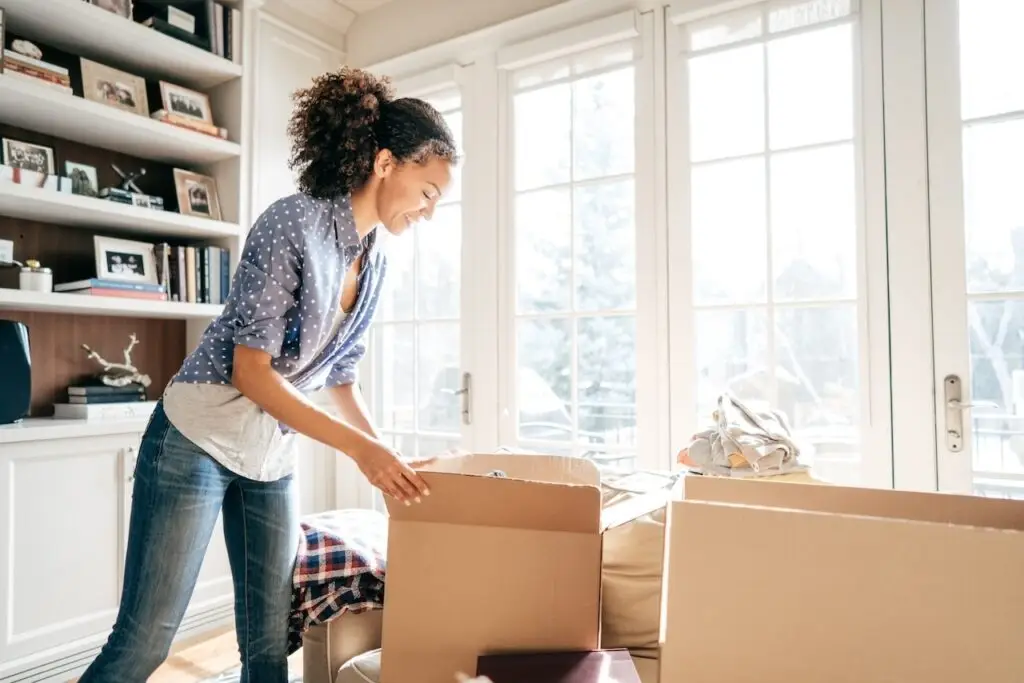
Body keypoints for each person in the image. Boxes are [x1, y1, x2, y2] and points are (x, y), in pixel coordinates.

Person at [78, 67, 458, 683]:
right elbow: (250, 373)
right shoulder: (294, 222)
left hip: (271, 454)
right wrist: (362, 450)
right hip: (196, 439)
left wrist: (386, 458)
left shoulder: (376, 258)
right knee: (144, 643)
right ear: (387, 163)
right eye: (429, 191)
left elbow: (340, 374)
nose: (429, 211)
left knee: (267, 645)